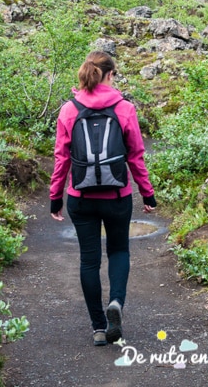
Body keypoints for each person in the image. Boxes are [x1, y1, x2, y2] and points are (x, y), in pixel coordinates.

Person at [50, 51, 156, 347]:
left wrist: (55, 197)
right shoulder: (124, 108)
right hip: (117, 195)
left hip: (80, 197)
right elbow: (135, 156)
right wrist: (147, 192)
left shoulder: (68, 110)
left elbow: (61, 159)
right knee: (119, 251)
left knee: (89, 261)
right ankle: (116, 304)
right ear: (110, 75)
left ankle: (98, 327)